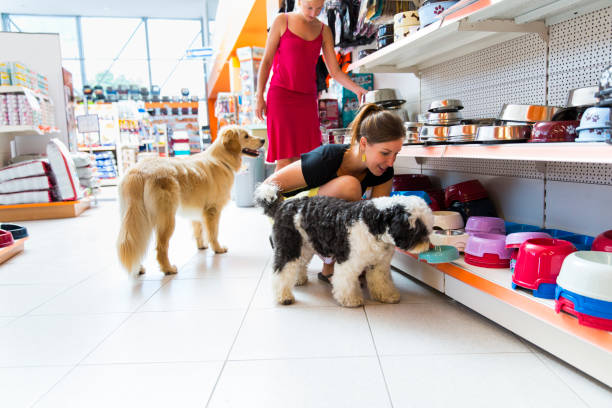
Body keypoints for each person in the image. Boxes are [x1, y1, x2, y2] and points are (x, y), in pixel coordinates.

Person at [262, 103, 405, 281]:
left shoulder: (385, 171)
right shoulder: (325, 158)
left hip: (324, 227)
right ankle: (322, 259)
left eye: (396, 154)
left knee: (369, 211)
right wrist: (285, 229)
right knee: (350, 187)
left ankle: (331, 266)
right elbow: (267, 189)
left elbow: (375, 220)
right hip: (292, 222)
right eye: (385, 153)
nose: (391, 162)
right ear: (363, 143)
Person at [255, 0, 368, 172]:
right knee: (285, 161)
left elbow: (335, 71)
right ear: (299, 1)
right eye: (309, 8)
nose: (313, 13)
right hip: (281, 97)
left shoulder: (324, 31)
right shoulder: (281, 21)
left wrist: (357, 89)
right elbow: (267, 61)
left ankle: (298, 199)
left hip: (307, 101)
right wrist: (259, 97)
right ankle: (271, 198)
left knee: (305, 160)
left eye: (319, 9)